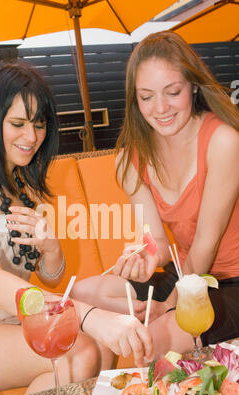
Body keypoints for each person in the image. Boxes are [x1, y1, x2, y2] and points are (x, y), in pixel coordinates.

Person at [0, 61, 153, 395]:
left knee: (96, 347)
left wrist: (51, 249)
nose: (31, 137)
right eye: (17, 124)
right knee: (78, 351)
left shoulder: (21, 181)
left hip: (10, 319)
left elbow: (50, 278)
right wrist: (91, 316)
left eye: (38, 125)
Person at [71, 31, 239, 358]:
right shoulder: (131, 158)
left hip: (229, 283)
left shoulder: (223, 141)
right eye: (146, 97)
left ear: (192, 85)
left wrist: (169, 306)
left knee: (153, 337)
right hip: (185, 272)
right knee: (82, 292)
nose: (160, 108)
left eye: (172, 92)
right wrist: (144, 256)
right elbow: (159, 244)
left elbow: (205, 245)